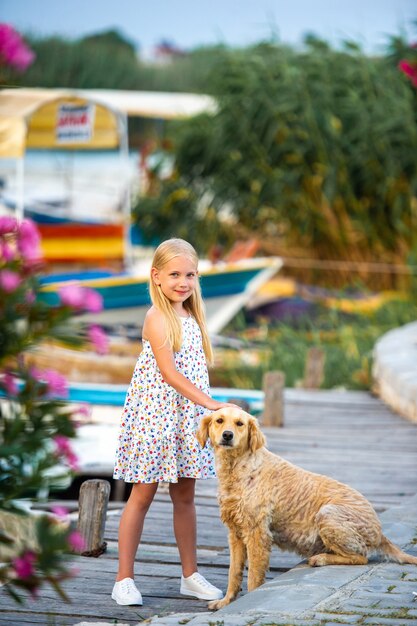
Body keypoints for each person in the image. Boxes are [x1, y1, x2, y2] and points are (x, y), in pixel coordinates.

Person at [112, 238, 237, 606]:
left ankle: (190, 575)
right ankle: (124, 579)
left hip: (187, 420)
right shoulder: (156, 317)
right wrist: (214, 405)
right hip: (156, 418)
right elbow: (169, 374)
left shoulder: (192, 317)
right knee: (142, 495)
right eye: (175, 274)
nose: (183, 282)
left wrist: (201, 411)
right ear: (156, 276)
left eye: (190, 275)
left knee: (185, 495)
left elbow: (193, 372)